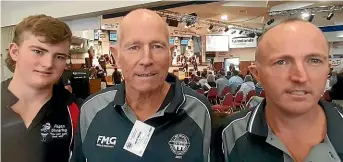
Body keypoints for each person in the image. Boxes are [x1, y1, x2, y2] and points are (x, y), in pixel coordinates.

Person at [72, 9, 212, 162]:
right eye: (134, 47)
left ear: (170, 54)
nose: (146, 60)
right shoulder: (91, 110)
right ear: (116, 56)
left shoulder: (199, 111)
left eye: (157, 46)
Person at [214, 18, 343, 162]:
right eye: (281, 62)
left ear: (328, 70)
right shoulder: (227, 135)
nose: (300, 76)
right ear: (257, 74)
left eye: (314, 60)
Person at [1, 14, 83, 162]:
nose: (48, 64)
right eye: (38, 51)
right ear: (15, 52)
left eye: (59, 56)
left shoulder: (78, 110)